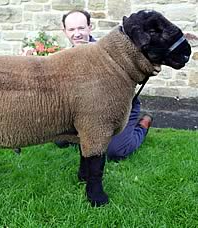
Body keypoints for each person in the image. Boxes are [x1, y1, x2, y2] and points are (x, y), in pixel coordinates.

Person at [55, 9, 153, 161]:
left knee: (115, 152)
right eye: (72, 29)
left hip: (119, 107)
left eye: (81, 28)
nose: (77, 34)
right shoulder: (63, 57)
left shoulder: (110, 53)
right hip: (83, 110)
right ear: (65, 31)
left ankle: (143, 125)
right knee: (59, 140)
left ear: (90, 27)